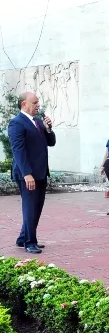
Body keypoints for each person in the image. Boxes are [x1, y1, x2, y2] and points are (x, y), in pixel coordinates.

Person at [10, 92, 55, 254]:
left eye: (38, 102)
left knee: (37, 207)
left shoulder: (37, 121)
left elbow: (51, 143)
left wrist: (49, 129)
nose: (38, 105)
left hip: (41, 172)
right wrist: (27, 174)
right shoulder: (16, 123)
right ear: (24, 104)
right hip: (27, 174)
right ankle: (30, 242)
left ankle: (23, 238)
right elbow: (18, 151)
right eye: (35, 102)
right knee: (30, 207)